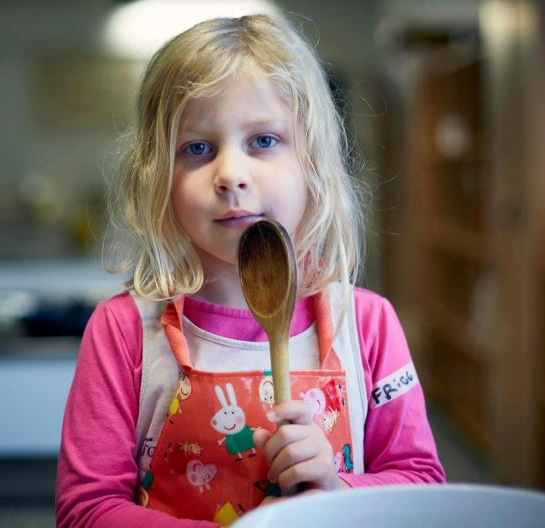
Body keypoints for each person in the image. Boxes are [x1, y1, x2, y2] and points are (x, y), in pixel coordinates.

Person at [56, 13, 445, 528]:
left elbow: (421, 483)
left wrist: (337, 487)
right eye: (197, 148)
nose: (231, 175)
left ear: (311, 161)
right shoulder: (125, 333)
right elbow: (87, 511)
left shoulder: (367, 325)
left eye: (263, 141)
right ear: (158, 177)